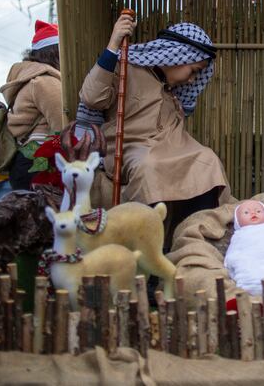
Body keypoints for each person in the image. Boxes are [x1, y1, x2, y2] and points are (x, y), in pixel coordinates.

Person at [78, 17, 230, 252]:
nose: (192, 79)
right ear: (179, 57)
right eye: (193, 70)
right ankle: (147, 252)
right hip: (134, 147)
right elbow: (91, 96)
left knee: (206, 160)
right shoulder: (126, 67)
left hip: (176, 147)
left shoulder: (175, 91)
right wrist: (113, 44)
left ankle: (197, 244)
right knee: (150, 167)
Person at [0, 20, 63, 190]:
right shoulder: (45, 82)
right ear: (56, 52)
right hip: (39, 164)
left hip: (24, 161)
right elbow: (62, 126)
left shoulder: (29, 79)